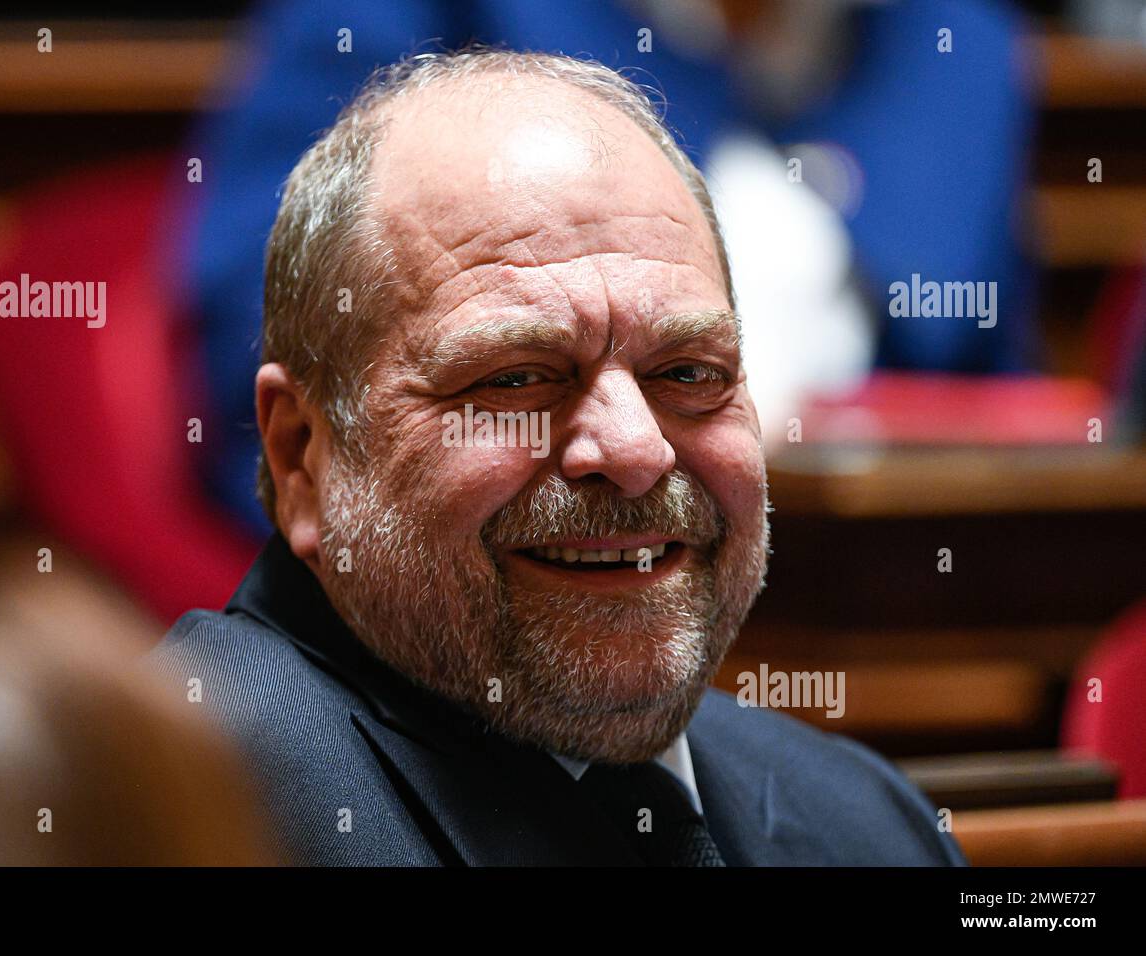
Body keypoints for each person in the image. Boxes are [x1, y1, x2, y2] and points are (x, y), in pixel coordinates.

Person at [153, 48, 966, 867]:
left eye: (688, 372)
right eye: (516, 378)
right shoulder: (165, 814)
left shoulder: (871, 824)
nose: (635, 450)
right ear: (302, 453)